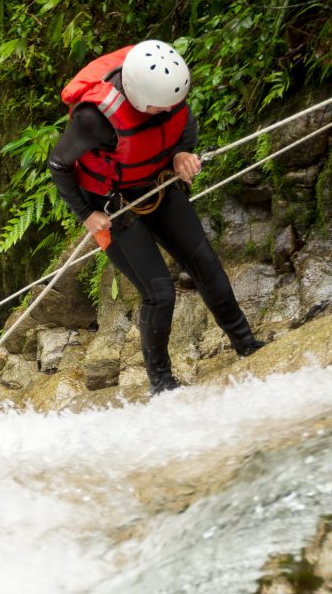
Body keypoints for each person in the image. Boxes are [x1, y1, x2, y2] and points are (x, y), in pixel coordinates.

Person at [47, 39, 266, 394]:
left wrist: (182, 153)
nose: (166, 112)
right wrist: (85, 214)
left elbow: (184, 123)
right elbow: (59, 164)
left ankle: (245, 343)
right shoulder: (94, 119)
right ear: (138, 96)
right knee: (160, 293)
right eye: (159, 108)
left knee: (205, 263)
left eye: (170, 105)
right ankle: (161, 384)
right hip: (113, 207)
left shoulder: (169, 95)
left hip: (157, 186)